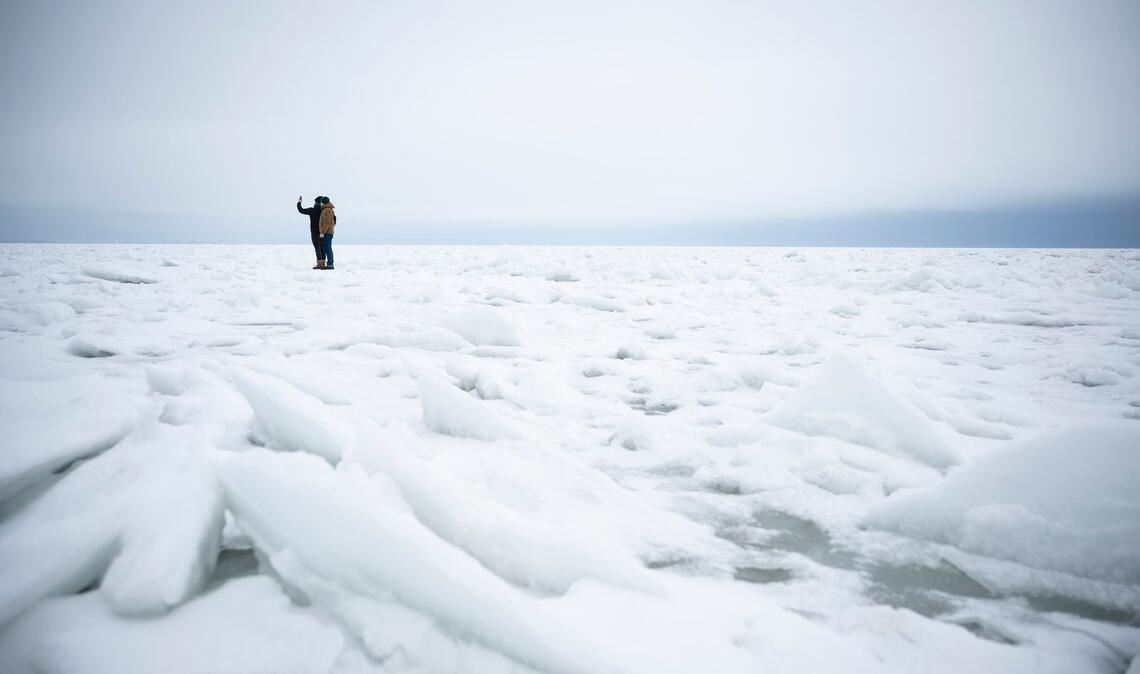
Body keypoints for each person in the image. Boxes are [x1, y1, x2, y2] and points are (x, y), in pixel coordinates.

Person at [297, 195, 325, 269]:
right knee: (322, 247)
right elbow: (333, 218)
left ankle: (320, 263)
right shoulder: (323, 211)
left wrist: (299, 203)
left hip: (314, 232)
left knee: (317, 247)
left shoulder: (312, 210)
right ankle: (323, 263)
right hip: (323, 231)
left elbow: (301, 210)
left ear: (315, 203)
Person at [318, 196, 336, 270]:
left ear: (323, 202)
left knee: (327, 248)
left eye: (321, 202)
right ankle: (329, 264)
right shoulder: (328, 209)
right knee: (327, 248)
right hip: (328, 232)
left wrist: (322, 232)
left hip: (327, 233)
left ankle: (330, 264)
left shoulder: (327, 210)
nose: (321, 204)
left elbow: (327, 222)